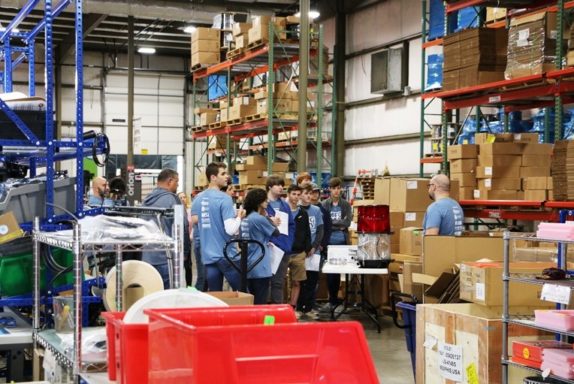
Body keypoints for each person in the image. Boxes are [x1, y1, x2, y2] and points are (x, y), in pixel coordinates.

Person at [191, 162, 244, 291]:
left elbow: (194, 220)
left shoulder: (198, 198)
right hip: (226, 255)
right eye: (223, 173)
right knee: (243, 294)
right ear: (213, 177)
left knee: (216, 296)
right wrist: (239, 217)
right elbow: (231, 229)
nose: (227, 176)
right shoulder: (224, 198)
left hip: (208, 256)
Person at [142, 169, 191, 288]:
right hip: (166, 257)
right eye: (177, 182)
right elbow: (183, 226)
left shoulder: (146, 200)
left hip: (147, 258)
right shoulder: (172, 199)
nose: (178, 185)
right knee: (168, 296)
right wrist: (185, 252)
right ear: (170, 181)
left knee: (151, 293)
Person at [240, 188, 281, 304]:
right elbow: (276, 233)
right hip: (261, 266)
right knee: (261, 302)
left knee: (250, 301)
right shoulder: (259, 219)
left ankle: (252, 321)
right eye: (265, 200)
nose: (267, 202)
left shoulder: (246, 218)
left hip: (248, 265)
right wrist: (270, 220)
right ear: (259, 202)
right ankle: (263, 322)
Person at [321, 177, 352, 310]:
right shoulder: (324, 204)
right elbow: (324, 223)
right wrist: (337, 225)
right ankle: (332, 298)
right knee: (330, 272)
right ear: (330, 190)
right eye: (334, 188)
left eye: (338, 188)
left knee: (339, 271)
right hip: (329, 243)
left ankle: (336, 299)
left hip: (342, 242)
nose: (336, 191)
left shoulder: (345, 205)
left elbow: (347, 222)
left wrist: (335, 224)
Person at [266, 175, 295, 304]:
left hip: (283, 249)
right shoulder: (263, 204)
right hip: (268, 247)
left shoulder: (285, 205)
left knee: (278, 282)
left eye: (282, 185)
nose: (281, 187)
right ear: (270, 187)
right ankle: (265, 315)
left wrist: (288, 243)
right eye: (278, 185)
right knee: (266, 282)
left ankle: (278, 314)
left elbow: (291, 225)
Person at [297, 184, 324, 315]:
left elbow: (320, 230)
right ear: (300, 195)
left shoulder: (316, 210)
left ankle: (308, 307)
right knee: (301, 281)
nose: (308, 196)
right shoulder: (297, 210)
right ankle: (299, 306)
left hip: (314, 251)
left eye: (310, 193)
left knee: (312, 280)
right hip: (301, 251)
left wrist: (314, 247)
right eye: (306, 193)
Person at [285, 185, 312, 315]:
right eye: (293, 194)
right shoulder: (283, 212)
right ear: (289, 194)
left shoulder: (303, 213)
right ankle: (281, 307)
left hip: (299, 253)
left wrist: (307, 248)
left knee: (297, 282)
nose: (296, 197)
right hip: (284, 252)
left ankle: (293, 307)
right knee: (281, 282)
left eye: (298, 194)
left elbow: (307, 232)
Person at [178, 191, 193, 286]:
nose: (183, 199)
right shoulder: (178, 211)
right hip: (180, 241)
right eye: (181, 197)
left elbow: (193, 225)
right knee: (180, 266)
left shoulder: (189, 211)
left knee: (188, 266)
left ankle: (189, 286)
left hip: (188, 240)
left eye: (184, 197)